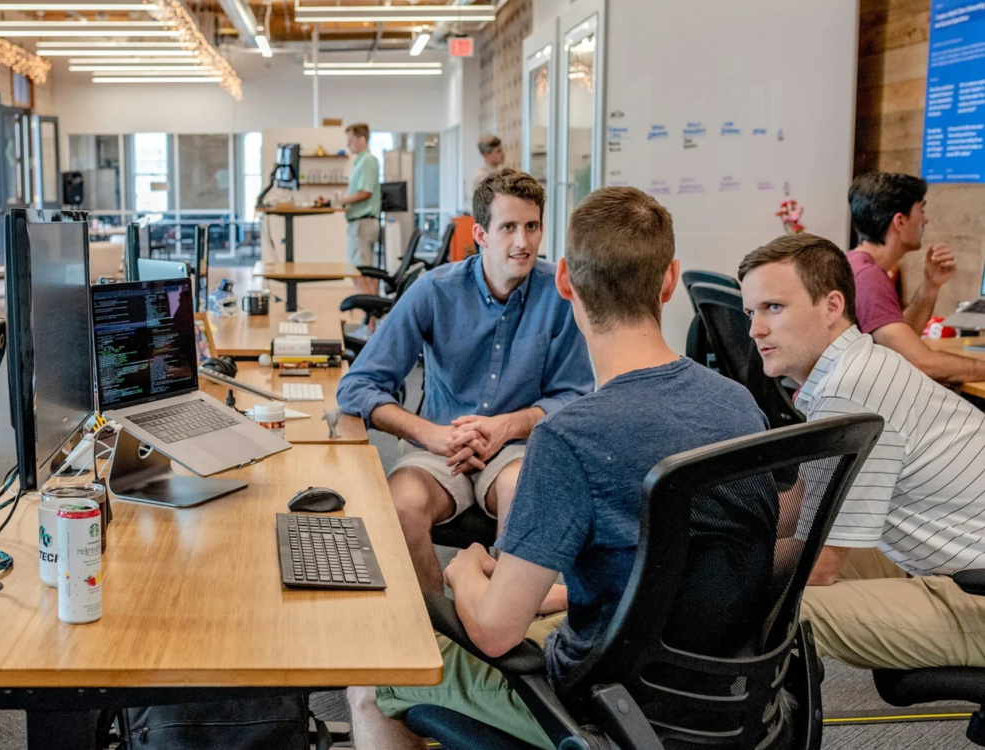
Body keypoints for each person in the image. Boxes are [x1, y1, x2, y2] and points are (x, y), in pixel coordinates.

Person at [348, 186, 772, 750]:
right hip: (728, 702)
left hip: (601, 710)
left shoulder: (568, 439)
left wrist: (466, 572)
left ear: (565, 279)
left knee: (370, 675)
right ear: (670, 281)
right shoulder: (740, 404)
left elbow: (496, 634)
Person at [336, 169, 593, 595]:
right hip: (439, 445)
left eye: (532, 227)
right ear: (481, 234)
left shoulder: (560, 294)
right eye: (508, 227)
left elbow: (577, 396)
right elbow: (357, 386)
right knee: (401, 505)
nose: (523, 242)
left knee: (521, 492)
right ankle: (439, 626)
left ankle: (499, 624)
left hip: (516, 448)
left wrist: (506, 427)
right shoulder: (434, 291)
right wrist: (429, 434)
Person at [739, 233, 985, 671]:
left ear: (832, 306)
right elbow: (806, 504)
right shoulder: (854, 370)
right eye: (751, 312)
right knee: (745, 564)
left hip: (974, 597)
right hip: (953, 570)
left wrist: (685, 572)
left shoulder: (851, 390)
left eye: (773, 308)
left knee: (783, 605)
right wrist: (702, 537)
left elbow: (819, 566)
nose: (755, 329)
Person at [846, 172, 985, 382]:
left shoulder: (856, 264)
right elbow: (920, 362)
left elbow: (900, 343)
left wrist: (931, 285)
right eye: (921, 210)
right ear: (900, 221)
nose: (925, 220)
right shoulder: (868, 278)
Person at [341, 123, 382, 295]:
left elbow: (365, 192)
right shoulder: (360, 162)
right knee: (362, 272)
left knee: (362, 274)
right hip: (359, 223)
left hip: (363, 224)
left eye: (351, 140)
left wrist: (343, 201)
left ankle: (370, 321)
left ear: (362, 139)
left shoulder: (368, 161)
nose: (348, 144)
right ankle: (371, 318)